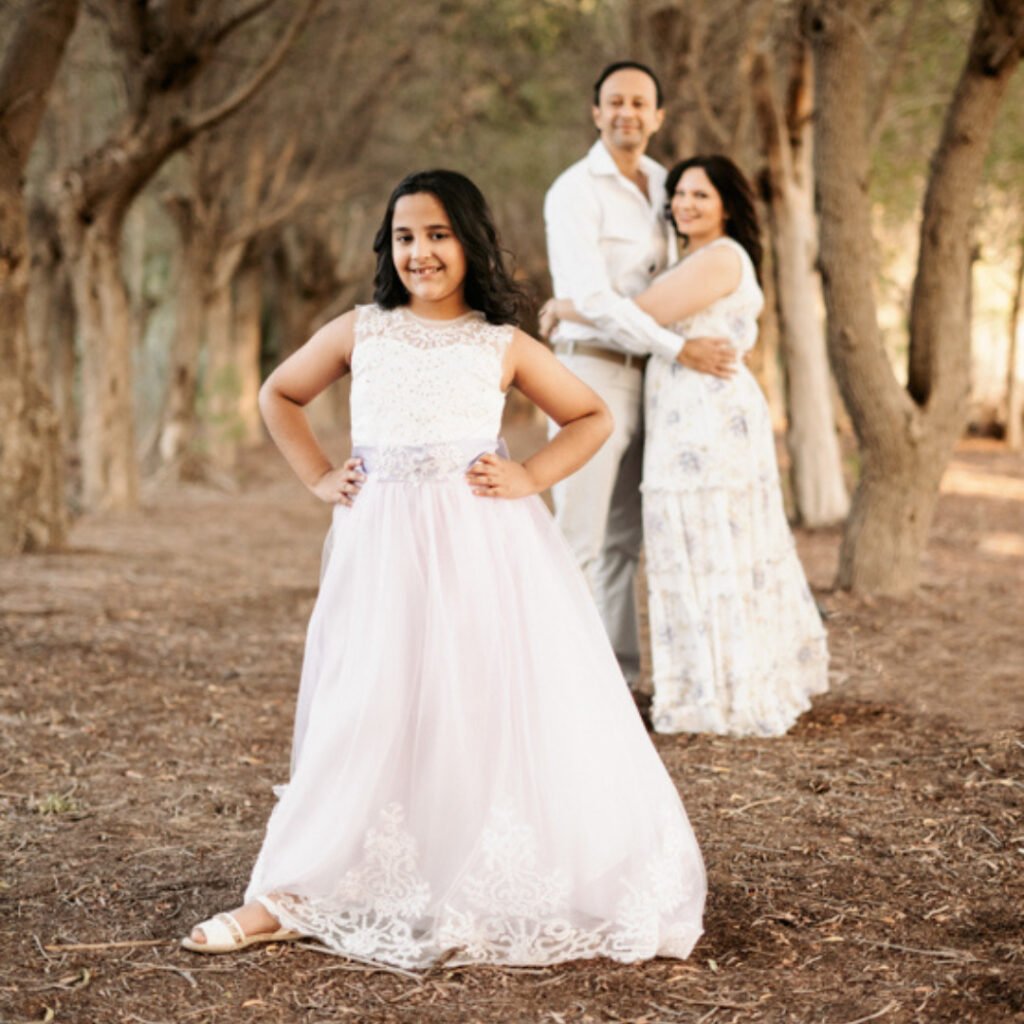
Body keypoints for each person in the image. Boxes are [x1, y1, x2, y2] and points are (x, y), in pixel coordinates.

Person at [181, 170, 705, 967]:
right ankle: (288, 892)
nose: (419, 252)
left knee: (472, 701)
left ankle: (464, 873)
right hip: (381, 548)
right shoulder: (362, 330)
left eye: (437, 235)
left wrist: (530, 474)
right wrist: (322, 475)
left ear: (468, 243)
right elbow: (278, 396)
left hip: (480, 548)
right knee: (366, 701)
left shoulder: (501, 344)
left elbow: (590, 415)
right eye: (404, 237)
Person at [542, 155, 829, 736]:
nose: (685, 204)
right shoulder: (693, 258)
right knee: (687, 548)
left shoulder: (723, 257)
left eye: (700, 194)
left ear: (727, 203)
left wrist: (565, 306)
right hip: (678, 415)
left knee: (710, 545)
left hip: (708, 420)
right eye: (678, 194)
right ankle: (700, 683)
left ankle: (722, 689)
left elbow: (641, 315)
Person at [544, 61, 736, 688]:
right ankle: (559, 687)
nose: (627, 112)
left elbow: (690, 272)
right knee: (577, 541)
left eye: (639, 103)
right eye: (614, 101)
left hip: (652, 381)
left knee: (626, 539)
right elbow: (593, 300)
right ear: (596, 112)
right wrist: (677, 349)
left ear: (658, 116)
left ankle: (616, 683)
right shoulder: (573, 191)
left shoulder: (664, 185)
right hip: (589, 377)